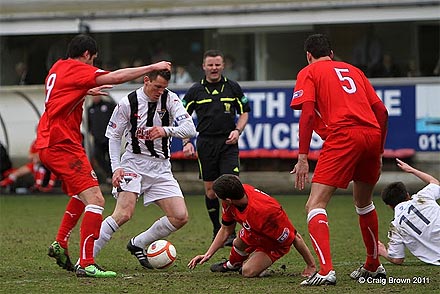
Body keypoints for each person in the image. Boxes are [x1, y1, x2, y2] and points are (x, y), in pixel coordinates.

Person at [35, 34, 171, 278]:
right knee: (96, 200)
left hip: (48, 141)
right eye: (93, 59)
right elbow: (116, 77)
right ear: (87, 55)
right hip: (62, 143)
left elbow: (60, 95)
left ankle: (60, 243)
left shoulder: (58, 67)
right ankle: (87, 262)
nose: (92, 64)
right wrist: (152, 67)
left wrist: (84, 90)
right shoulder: (77, 68)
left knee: (82, 193)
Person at [290, 34, 389, 286]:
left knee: (315, 205)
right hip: (372, 135)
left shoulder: (309, 72)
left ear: (308, 56)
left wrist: (303, 157)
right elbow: (382, 111)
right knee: (364, 203)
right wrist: (379, 149)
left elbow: (308, 114)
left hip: (343, 135)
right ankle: (373, 265)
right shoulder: (354, 70)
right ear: (331, 54)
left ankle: (325, 271)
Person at [92, 70, 196, 269]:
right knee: (123, 214)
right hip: (133, 164)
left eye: (163, 87)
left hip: (161, 168)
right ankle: (86, 260)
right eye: (157, 86)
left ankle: (137, 243)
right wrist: (116, 168)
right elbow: (114, 137)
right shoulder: (127, 103)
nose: (160, 91)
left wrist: (166, 130)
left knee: (180, 216)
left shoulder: (170, 99)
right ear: (146, 80)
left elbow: (190, 128)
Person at [181, 49, 251, 246]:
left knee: (232, 187)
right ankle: (217, 230)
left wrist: (238, 130)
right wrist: (186, 142)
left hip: (228, 143)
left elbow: (245, 112)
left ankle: (234, 232)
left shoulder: (233, 87)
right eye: (210, 65)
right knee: (212, 192)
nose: (214, 68)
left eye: (217, 64)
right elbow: (182, 118)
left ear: (223, 66)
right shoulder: (195, 90)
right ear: (204, 66)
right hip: (205, 143)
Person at [188, 174, 316, 278]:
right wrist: (208, 254)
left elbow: (295, 237)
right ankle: (232, 265)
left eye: (219, 198)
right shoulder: (233, 198)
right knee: (238, 243)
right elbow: (226, 229)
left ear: (227, 200)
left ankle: (253, 264)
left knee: (247, 272)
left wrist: (311, 265)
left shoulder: (267, 212)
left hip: (273, 243)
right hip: (254, 232)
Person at [378, 158, 440, 265]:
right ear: (407, 195)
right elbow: (434, 182)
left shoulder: (396, 226)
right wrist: (412, 170)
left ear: (389, 206)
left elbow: (397, 259)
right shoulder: (422, 196)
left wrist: (382, 251)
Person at [87, 95, 116, 184]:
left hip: (109, 138)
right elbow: (89, 123)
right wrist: (92, 132)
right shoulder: (90, 109)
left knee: (112, 157)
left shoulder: (108, 105)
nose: (95, 97)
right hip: (97, 138)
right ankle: (109, 174)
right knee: (98, 156)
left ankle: (114, 175)